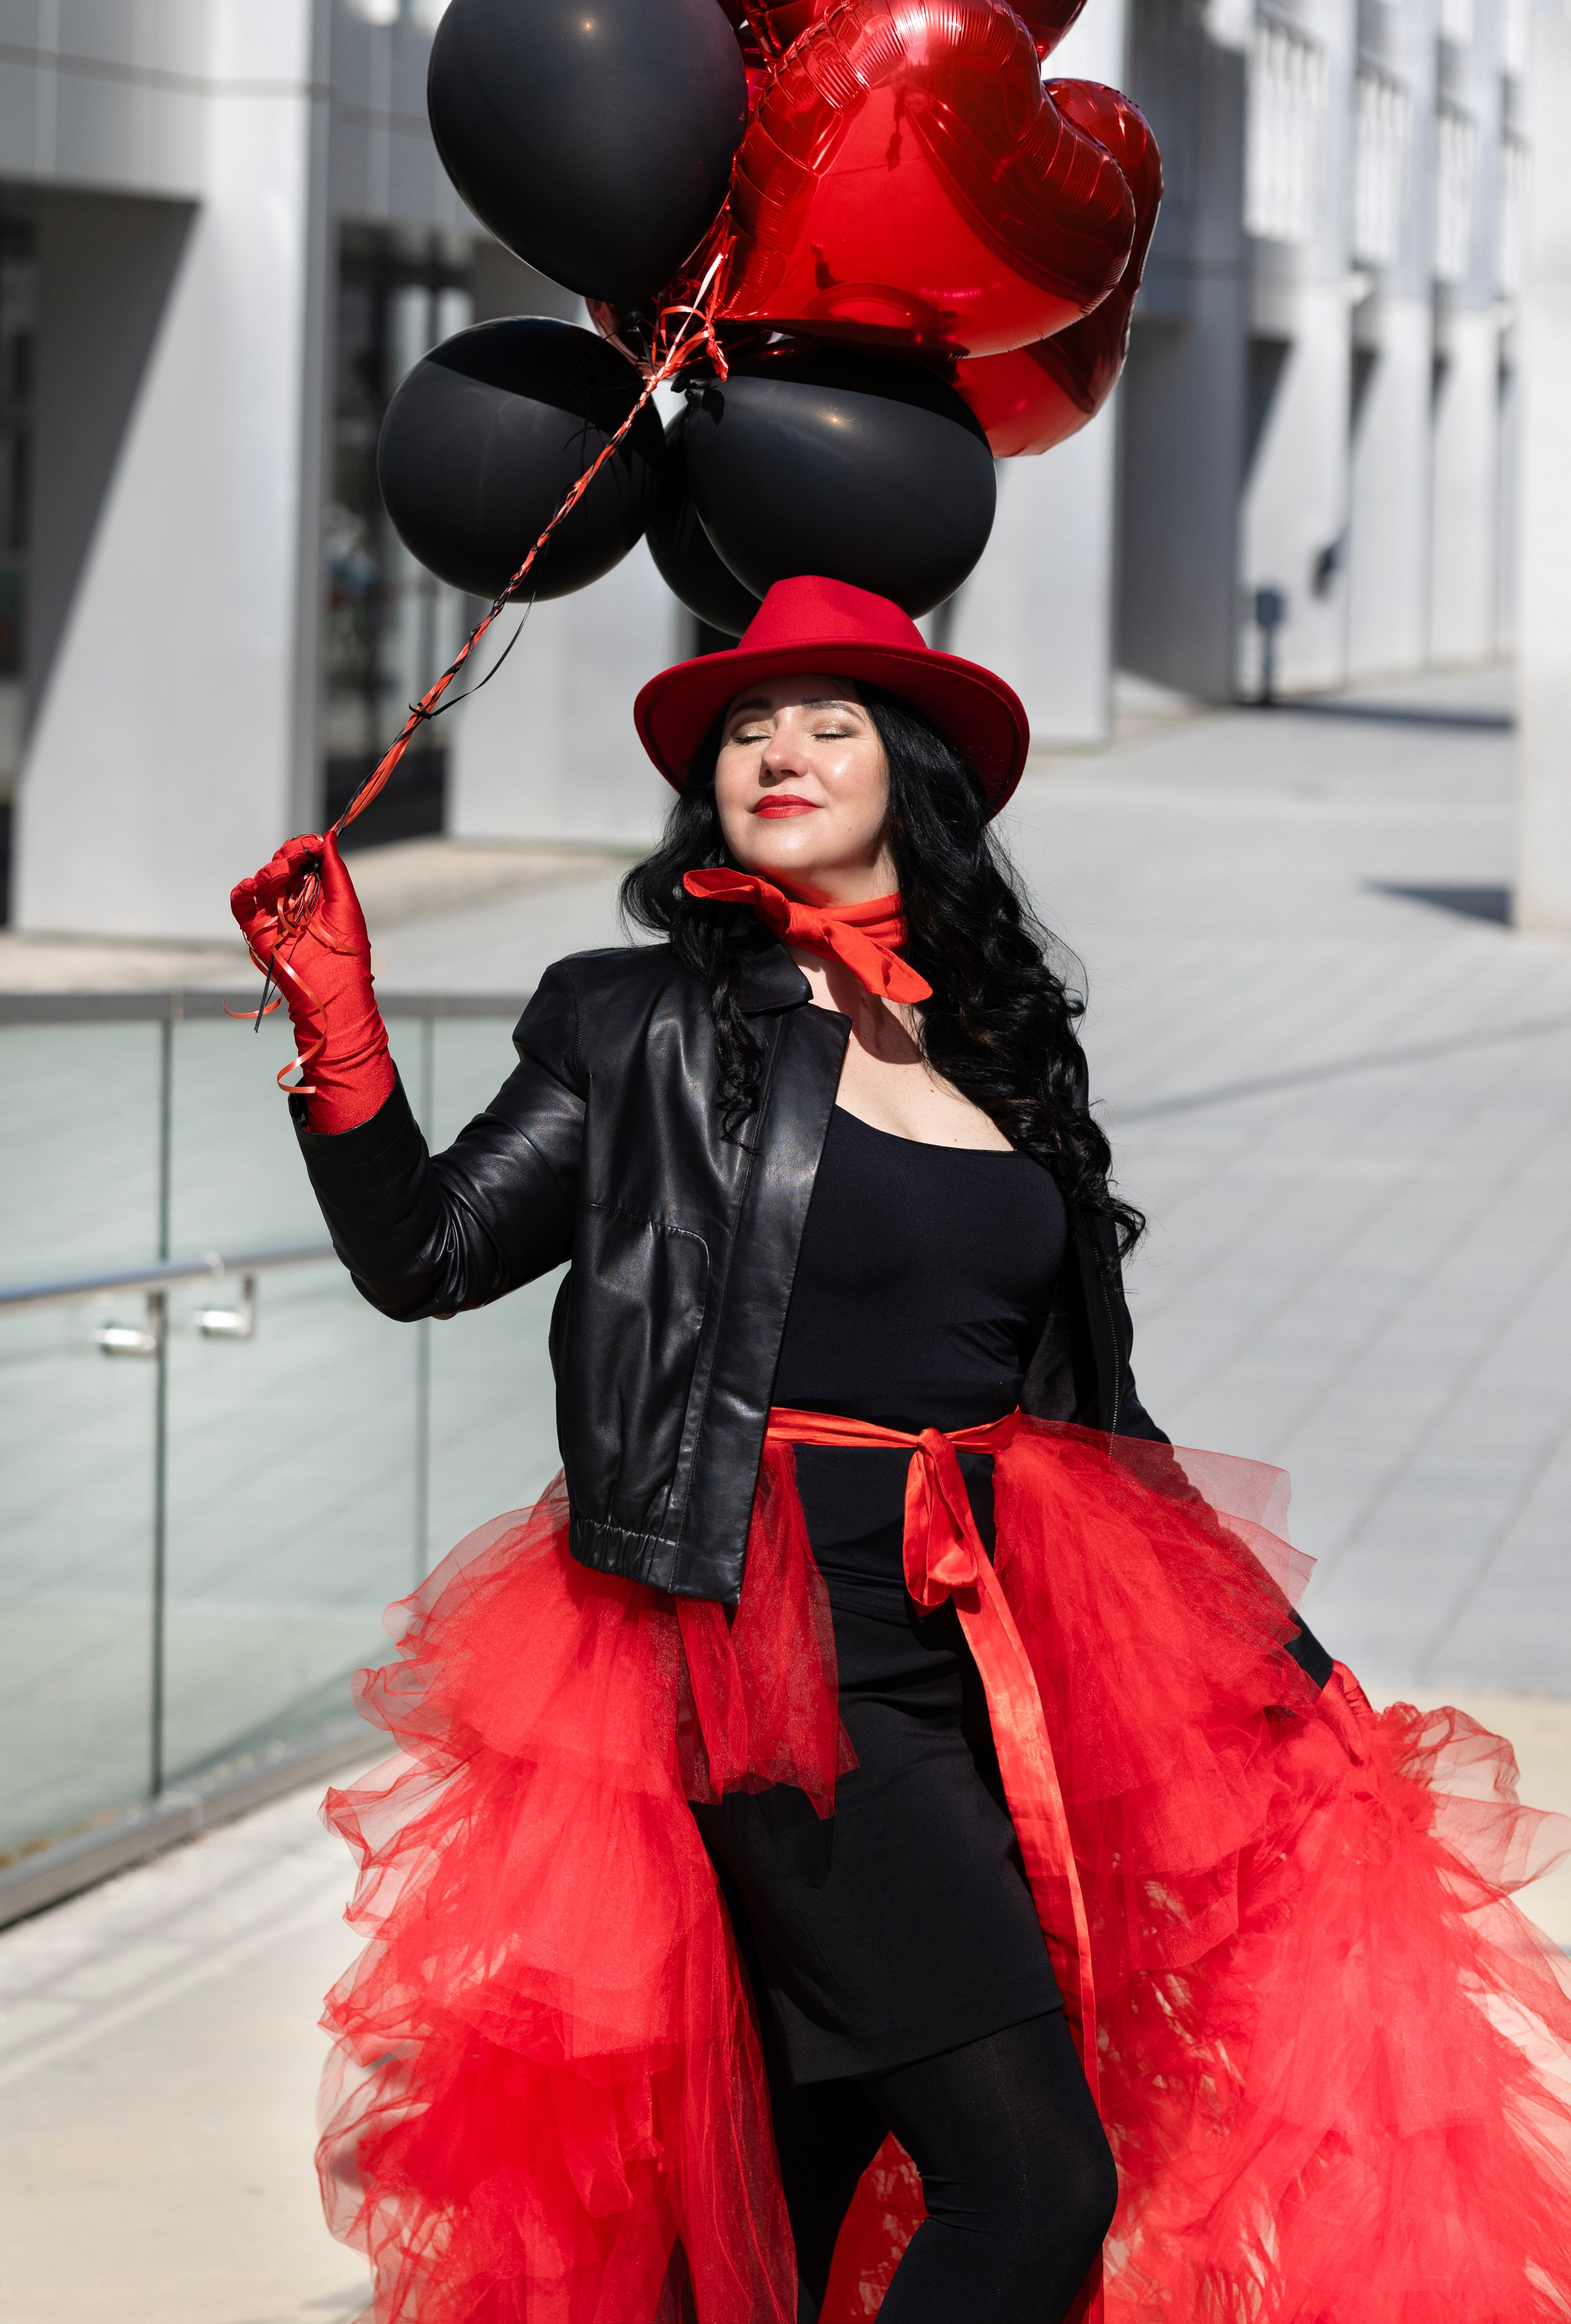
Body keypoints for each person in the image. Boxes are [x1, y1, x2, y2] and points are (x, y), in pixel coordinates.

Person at [234, 576, 1571, 2324]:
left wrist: (1290, 1675)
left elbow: (1103, 1424)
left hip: (984, 1647)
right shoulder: (634, 1019)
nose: (777, 747)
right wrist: (341, 1030)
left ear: (912, 772)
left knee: (788, 2183)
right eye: (744, 724)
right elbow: (426, 1251)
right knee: (1030, 2182)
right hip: (770, 1646)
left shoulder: (1005, 1045)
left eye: (829, 718)